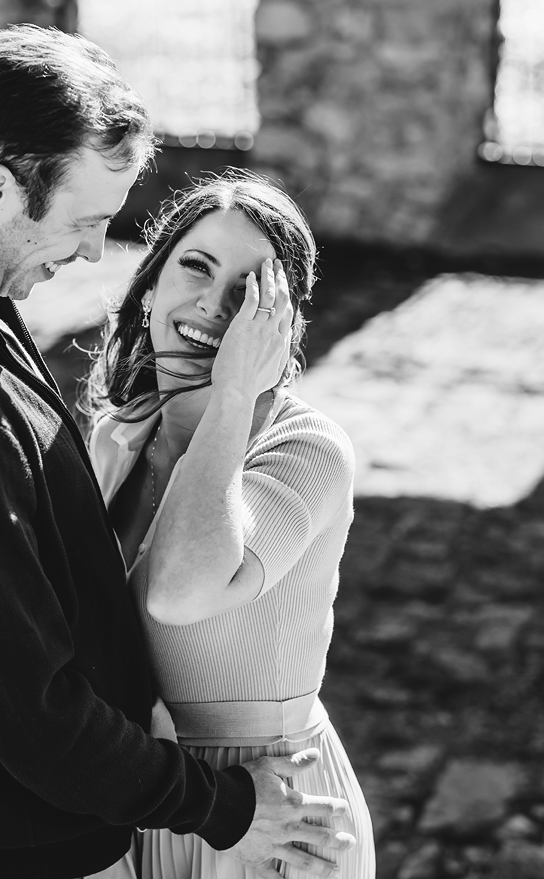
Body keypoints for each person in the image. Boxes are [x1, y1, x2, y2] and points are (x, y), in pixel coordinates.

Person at [0, 26, 355, 879]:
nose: (96, 252)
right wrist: (217, 806)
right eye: (85, 220)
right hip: (23, 849)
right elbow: (31, 710)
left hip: (120, 822)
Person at [84, 175, 375, 879]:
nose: (214, 306)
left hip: (274, 820)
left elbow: (180, 590)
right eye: (196, 266)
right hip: (149, 803)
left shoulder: (307, 450)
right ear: (150, 283)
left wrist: (234, 393)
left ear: (280, 324)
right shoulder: (116, 435)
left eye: (250, 289)